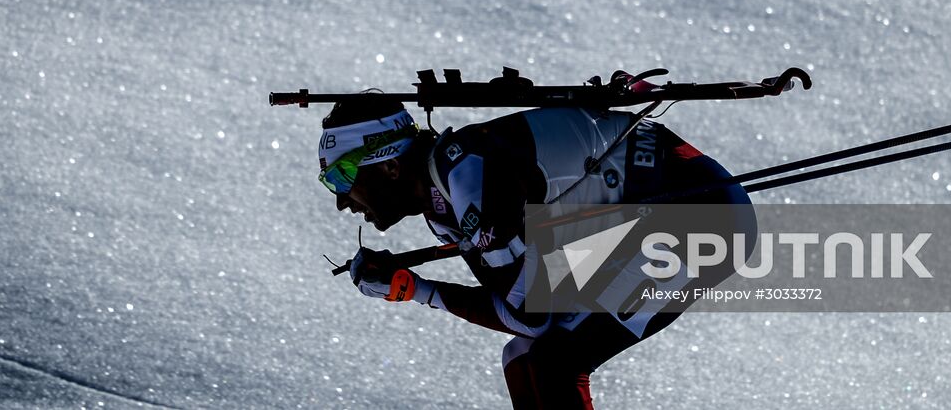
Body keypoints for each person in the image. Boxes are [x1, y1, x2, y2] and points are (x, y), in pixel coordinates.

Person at [317, 82, 754, 409]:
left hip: (703, 217)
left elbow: (527, 315)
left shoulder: (469, 177)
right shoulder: (442, 201)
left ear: (389, 165)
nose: (341, 201)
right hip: (647, 222)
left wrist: (419, 291)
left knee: (555, 360)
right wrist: (416, 287)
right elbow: (526, 312)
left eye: (341, 177)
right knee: (523, 357)